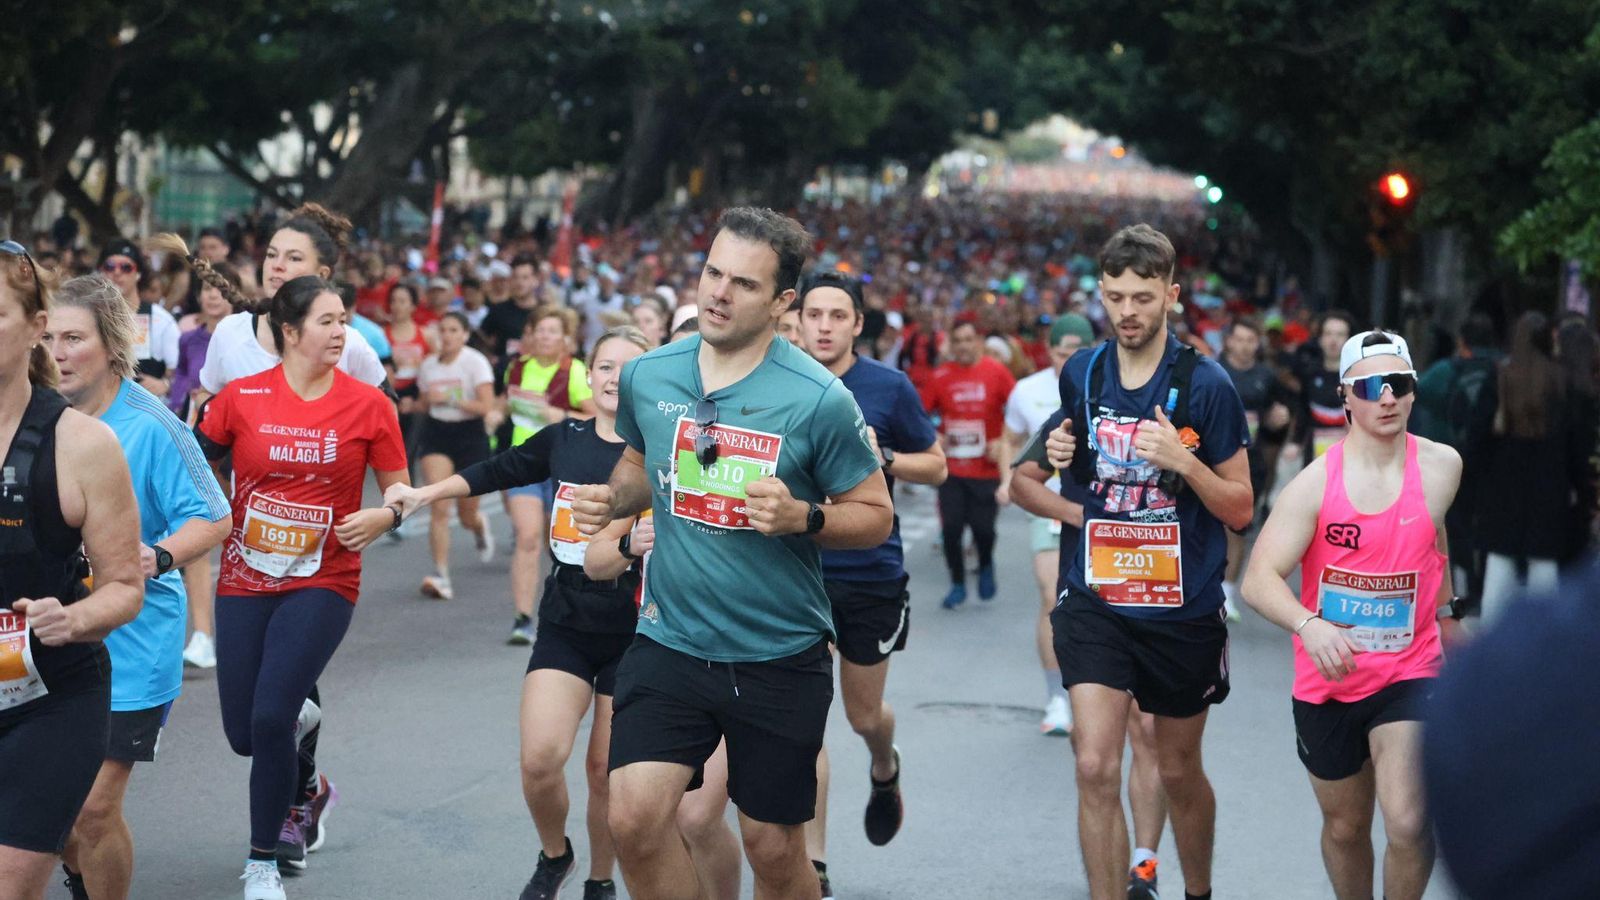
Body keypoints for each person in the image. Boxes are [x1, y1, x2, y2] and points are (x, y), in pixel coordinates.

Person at [569, 207, 892, 900]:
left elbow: (875, 516)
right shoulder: (651, 373)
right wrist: (615, 500)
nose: (718, 292)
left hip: (777, 653)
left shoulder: (819, 399)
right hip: (671, 638)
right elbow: (636, 459)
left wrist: (803, 516)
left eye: (742, 283)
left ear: (782, 304)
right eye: (712, 272)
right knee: (633, 819)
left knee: (773, 851)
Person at [388, 326, 653, 900]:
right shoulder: (566, 436)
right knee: (540, 758)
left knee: (604, 770)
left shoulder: (662, 449)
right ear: (589, 373)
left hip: (636, 628)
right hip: (567, 616)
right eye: (603, 366)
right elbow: (496, 469)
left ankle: (600, 881)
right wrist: (423, 495)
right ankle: (554, 854)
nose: (613, 378)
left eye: (627, 368)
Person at [1044, 224, 1252, 900]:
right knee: (1095, 763)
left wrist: (1184, 462)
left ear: (1171, 296)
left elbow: (1241, 508)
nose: (1127, 312)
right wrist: (1053, 458)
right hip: (1098, 596)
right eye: (1114, 297)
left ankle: (1197, 892)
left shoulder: (1207, 385)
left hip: (1180, 607)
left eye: (1141, 297)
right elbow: (1069, 461)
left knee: (1176, 770)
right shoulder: (1084, 371)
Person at [194, 275, 408, 900]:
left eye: (345, 320)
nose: (343, 332)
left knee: (268, 718)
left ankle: (262, 862)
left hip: (325, 578)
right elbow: (194, 466)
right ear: (289, 332)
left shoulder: (370, 405)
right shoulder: (240, 398)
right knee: (244, 735)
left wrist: (387, 515)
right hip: (244, 575)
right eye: (327, 321)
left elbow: (399, 489)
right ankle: (298, 718)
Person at [1243, 329, 1463, 900]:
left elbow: (1433, 539)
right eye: (1370, 386)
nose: (1385, 397)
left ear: (1414, 392)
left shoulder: (1442, 467)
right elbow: (1258, 579)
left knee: (1409, 822)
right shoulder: (1314, 486)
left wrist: (1449, 613)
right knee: (1345, 827)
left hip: (1410, 671)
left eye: (1398, 384)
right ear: (1345, 396)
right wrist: (1308, 625)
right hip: (1330, 683)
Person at [46, 274, 233, 900]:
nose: (59, 352)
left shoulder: (151, 425)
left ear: (113, 343)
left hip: (133, 643)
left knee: (94, 808)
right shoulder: (31, 417)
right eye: (48, 337)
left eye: (74, 337)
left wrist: (152, 557)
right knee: (54, 812)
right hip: (44, 637)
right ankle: (80, 880)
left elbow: (215, 515)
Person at [0, 240, 144, 900]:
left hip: (47, 696)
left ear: (34, 329)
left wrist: (73, 616)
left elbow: (124, 586)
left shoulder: (83, 443)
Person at [797, 270, 947, 895]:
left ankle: (884, 765)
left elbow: (936, 466)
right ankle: (814, 864)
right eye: (815, 314)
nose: (825, 326)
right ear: (797, 320)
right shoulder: (779, 381)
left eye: (839, 316)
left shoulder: (889, 387)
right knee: (805, 720)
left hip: (869, 575)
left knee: (861, 716)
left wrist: (884, 460)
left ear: (858, 324)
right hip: (796, 573)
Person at [1001, 313, 1092, 735]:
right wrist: (1008, 479)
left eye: (1076, 352)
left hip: (1103, 513)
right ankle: (1057, 698)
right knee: (1051, 596)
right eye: (1060, 353)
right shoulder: (1027, 390)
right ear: (1048, 351)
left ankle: (1094, 692)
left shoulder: (1104, 387)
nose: (1067, 361)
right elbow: (1010, 438)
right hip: (1052, 505)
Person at [501, 306, 597, 644]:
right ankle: (523, 617)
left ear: (566, 338)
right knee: (527, 537)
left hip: (562, 467)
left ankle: (564, 606)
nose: (544, 336)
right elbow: (506, 406)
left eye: (552, 331)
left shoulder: (575, 372)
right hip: (525, 464)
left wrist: (559, 413)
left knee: (555, 544)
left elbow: (597, 416)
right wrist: (491, 416)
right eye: (539, 329)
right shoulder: (517, 368)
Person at [1477, 311, 1574, 621]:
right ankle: (1545, 641)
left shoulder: (1500, 374)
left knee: (1500, 559)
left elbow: (1479, 433)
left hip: (1505, 478)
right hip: (1550, 478)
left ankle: (1491, 641)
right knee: (1543, 562)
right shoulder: (1561, 379)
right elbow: (1573, 437)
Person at [924, 315, 1016, 608]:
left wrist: (1002, 441)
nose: (963, 346)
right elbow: (920, 416)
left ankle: (986, 563)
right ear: (951, 343)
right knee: (951, 529)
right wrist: (934, 435)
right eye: (957, 340)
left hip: (986, 470)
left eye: (968, 340)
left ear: (978, 342)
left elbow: (1018, 414)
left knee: (983, 529)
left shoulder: (997, 372)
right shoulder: (941, 376)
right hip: (951, 470)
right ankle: (958, 583)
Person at [413, 312, 497, 600]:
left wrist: (450, 398)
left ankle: (478, 525)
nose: (446, 335)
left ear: (464, 335)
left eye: (453, 330)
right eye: (442, 330)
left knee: (466, 514)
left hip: (470, 436)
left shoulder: (475, 362)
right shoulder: (427, 366)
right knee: (438, 505)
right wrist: (414, 404)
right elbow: (425, 402)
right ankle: (441, 575)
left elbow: (486, 406)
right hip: (437, 434)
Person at [1216, 317, 1292, 619]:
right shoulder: (1212, 370)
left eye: (1251, 340)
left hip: (1251, 462)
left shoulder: (1267, 376)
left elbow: (1278, 417)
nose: (1245, 346)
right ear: (1228, 341)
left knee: (1237, 530)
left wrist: (1279, 420)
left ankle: (1227, 594)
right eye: (1240, 339)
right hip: (1211, 461)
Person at [98, 238, 180, 403]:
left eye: (126, 267)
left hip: (147, 409)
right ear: (100, 272)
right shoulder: (89, 317)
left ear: (138, 274)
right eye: (110, 267)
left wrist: (165, 384)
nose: (117, 273)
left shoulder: (162, 320)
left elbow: (180, 370)